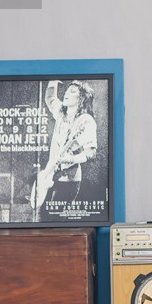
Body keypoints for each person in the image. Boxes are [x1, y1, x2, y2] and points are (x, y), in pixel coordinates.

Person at [32, 80, 97, 218]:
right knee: (41, 217)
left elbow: (91, 152)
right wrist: (52, 81)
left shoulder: (86, 120)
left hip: (68, 178)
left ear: (81, 99)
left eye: (72, 92)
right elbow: (50, 98)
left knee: (55, 219)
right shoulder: (61, 112)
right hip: (50, 173)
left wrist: (71, 158)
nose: (66, 93)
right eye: (67, 89)